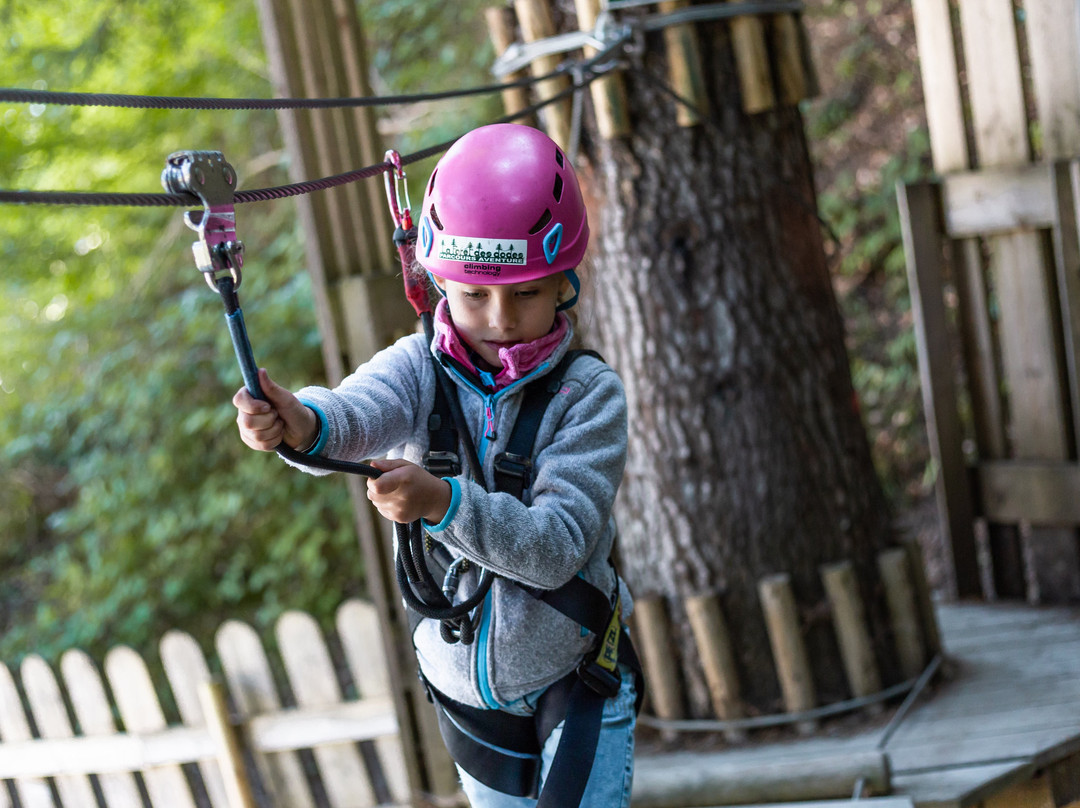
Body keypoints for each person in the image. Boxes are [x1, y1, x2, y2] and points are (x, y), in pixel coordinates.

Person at [233, 124, 638, 807]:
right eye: (475, 294)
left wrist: (443, 504)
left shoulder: (589, 396)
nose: (500, 318)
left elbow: (556, 548)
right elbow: (351, 416)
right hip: (465, 692)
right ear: (437, 279)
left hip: (577, 676)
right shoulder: (418, 367)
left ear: (565, 284)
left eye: (527, 294)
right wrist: (294, 422)